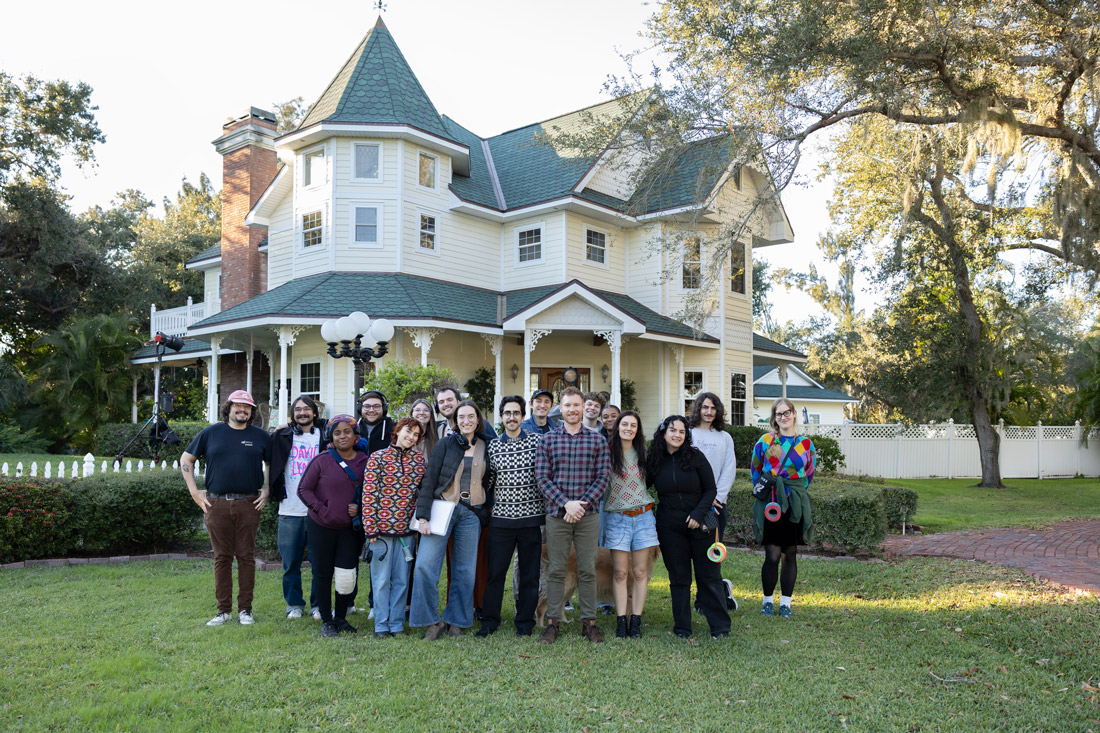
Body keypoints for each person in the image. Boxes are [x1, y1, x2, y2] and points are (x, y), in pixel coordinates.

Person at [180, 390, 270, 627]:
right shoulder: (211, 433)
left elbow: (272, 462)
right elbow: (186, 459)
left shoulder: (260, 436)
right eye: (238, 406)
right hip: (216, 503)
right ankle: (223, 611)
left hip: (249, 503)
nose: (243, 410)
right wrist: (194, 491)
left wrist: (268, 488)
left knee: (246, 557)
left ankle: (245, 611)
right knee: (221, 558)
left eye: (247, 407)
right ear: (228, 408)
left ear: (251, 412)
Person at [411, 400, 494, 639]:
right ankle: (431, 622)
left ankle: (456, 621)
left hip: (471, 514)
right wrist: (423, 516)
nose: (466, 421)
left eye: (471, 416)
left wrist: (485, 508)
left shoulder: (487, 445)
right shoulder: (446, 444)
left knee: (464, 570)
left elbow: (493, 480)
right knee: (426, 565)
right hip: (442, 510)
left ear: (478, 420)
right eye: (461, 417)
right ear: (455, 421)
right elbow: (430, 479)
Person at [535, 386, 611, 644]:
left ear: (582, 407)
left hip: (588, 517)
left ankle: (589, 623)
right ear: (561, 408)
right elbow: (543, 479)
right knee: (557, 570)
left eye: (576, 405)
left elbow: (603, 478)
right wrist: (566, 504)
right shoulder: (548, 440)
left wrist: (581, 504)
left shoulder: (597, 440)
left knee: (587, 569)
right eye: (567, 406)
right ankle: (552, 622)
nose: (572, 410)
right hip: (557, 515)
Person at [648, 415, 731, 639]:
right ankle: (682, 627)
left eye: (682, 432)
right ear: (664, 432)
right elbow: (640, 486)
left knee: (709, 576)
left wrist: (697, 514)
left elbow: (711, 489)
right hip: (670, 526)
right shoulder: (654, 460)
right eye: (673, 430)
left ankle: (720, 626)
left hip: (704, 521)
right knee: (679, 577)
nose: (677, 435)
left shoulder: (695, 456)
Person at [477, 395, 544, 638]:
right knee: (495, 573)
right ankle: (490, 621)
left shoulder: (538, 441)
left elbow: (545, 475)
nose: (512, 417)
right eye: (507, 413)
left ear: (523, 416)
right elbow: (489, 482)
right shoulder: (493, 446)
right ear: (501, 416)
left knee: (529, 574)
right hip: (502, 520)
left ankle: (525, 622)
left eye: (516, 413)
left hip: (531, 519)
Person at [297, 414, 367, 637]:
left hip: (349, 529)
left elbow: (372, 492)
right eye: (337, 433)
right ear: (331, 436)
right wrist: (322, 509)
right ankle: (327, 620)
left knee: (347, 574)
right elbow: (303, 490)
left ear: (356, 436)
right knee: (322, 572)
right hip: (321, 526)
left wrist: (359, 506)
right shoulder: (322, 460)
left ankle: (341, 618)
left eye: (347, 432)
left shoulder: (365, 461)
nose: (342, 436)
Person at [750, 398, 816, 619]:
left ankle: (785, 603)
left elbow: (809, 473)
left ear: (794, 414)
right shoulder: (766, 441)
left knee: (790, 553)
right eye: (779, 414)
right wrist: (770, 491)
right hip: (771, 502)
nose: (783, 417)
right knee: (772, 554)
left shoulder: (806, 444)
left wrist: (794, 492)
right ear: (774, 418)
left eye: (787, 412)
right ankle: (767, 601)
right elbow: (756, 468)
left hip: (795, 501)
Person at [362, 417, 425, 638]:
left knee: (401, 580)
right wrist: (370, 529)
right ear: (397, 431)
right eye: (408, 431)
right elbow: (369, 496)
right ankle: (381, 624)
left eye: (416, 435)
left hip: (407, 533)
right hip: (380, 534)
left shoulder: (419, 461)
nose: (412, 437)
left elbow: (423, 494)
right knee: (380, 581)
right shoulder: (378, 458)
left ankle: (396, 623)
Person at [267, 395, 325, 620]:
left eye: (307, 409)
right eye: (298, 410)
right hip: (289, 509)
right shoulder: (282, 435)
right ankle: (294, 604)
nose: (302, 413)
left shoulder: (325, 435)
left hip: (318, 510)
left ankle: (318, 605)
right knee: (290, 562)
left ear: (314, 412)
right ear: (292, 414)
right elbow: (265, 455)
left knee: (319, 562)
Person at [600, 410, 657, 638]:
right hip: (617, 519)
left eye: (633, 425)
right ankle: (621, 620)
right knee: (621, 572)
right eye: (625, 424)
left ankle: (636, 621)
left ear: (637, 429)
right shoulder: (605, 453)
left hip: (643, 517)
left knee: (640, 571)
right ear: (617, 426)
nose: (629, 428)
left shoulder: (644, 453)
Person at [689, 392, 737, 610]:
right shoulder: (688, 434)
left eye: (713, 408)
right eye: (705, 407)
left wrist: (716, 498)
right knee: (692, 554)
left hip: (716, 506)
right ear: (698, 408)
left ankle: (707, 599)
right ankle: (716, 592)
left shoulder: (724, 438)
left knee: (711, 555)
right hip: (691, 504)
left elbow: (729, 469)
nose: (708, 412)